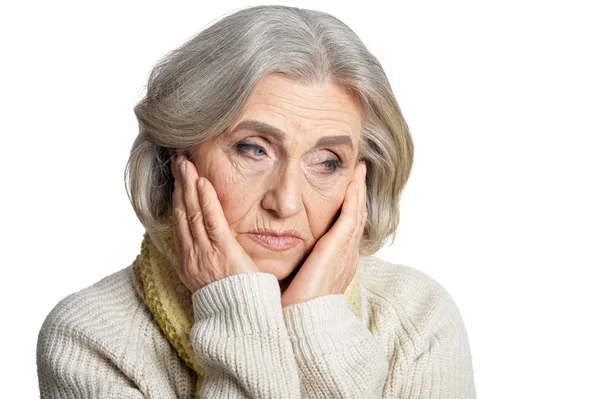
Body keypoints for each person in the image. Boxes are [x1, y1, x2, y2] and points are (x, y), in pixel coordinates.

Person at [36, 5, 476, 398]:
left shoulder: (417, 318)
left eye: (326, 162)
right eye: (253, 149)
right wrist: (236, 310)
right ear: (177, 155)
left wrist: (318, 323)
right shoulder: (90, 337)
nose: (285, 203)